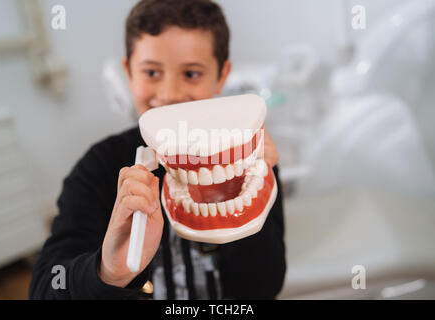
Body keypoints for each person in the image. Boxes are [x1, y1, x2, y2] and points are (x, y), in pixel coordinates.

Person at [29, 0, 286, 299]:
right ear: (129, 72)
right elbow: (45, 290)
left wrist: (245, 199)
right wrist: (108, 272)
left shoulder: (249, 159)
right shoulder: (97, 168)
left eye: (191, 74)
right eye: (152, 72)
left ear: (222, 75)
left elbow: (264, 287)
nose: (169, 95)